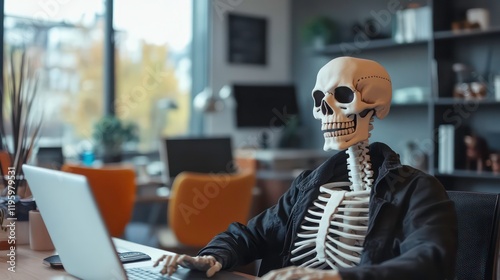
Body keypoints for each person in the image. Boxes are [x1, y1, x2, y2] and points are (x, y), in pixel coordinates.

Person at [153, 57, 458, 280]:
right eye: (319, 101)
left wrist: (336, 277)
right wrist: (211, 256)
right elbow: (250, 235)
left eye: (343, 97)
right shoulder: (309, 184)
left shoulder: (418, 188)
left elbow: (429, 261)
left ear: (375, 105)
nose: (326, 110)